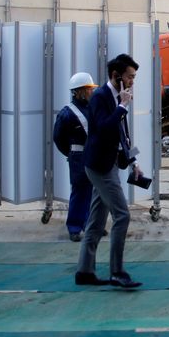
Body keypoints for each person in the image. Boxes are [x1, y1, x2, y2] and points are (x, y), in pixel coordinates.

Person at [75, 53, 144, 288]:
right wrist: (122, 106)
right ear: (117, 76)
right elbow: (103, 129)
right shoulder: (100, 98)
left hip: (110, 163)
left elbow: (123, 134)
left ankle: (85, 271)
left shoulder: (118, 97)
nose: (133, 81)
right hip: (100, 166)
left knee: (96, 220)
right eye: (130, 77)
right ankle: (117, 271)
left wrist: (134, 161)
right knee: (122, 215)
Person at [53, 72, 97, 242]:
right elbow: (58, 138)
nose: (92, 92)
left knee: (94, 193)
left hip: (92, 155)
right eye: (89, 89)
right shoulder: (67, 113)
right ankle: (74, 228)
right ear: (81, 91)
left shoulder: (92, 108)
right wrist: (70, 154)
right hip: (79, 158)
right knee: (80, 192)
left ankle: (91, 225)